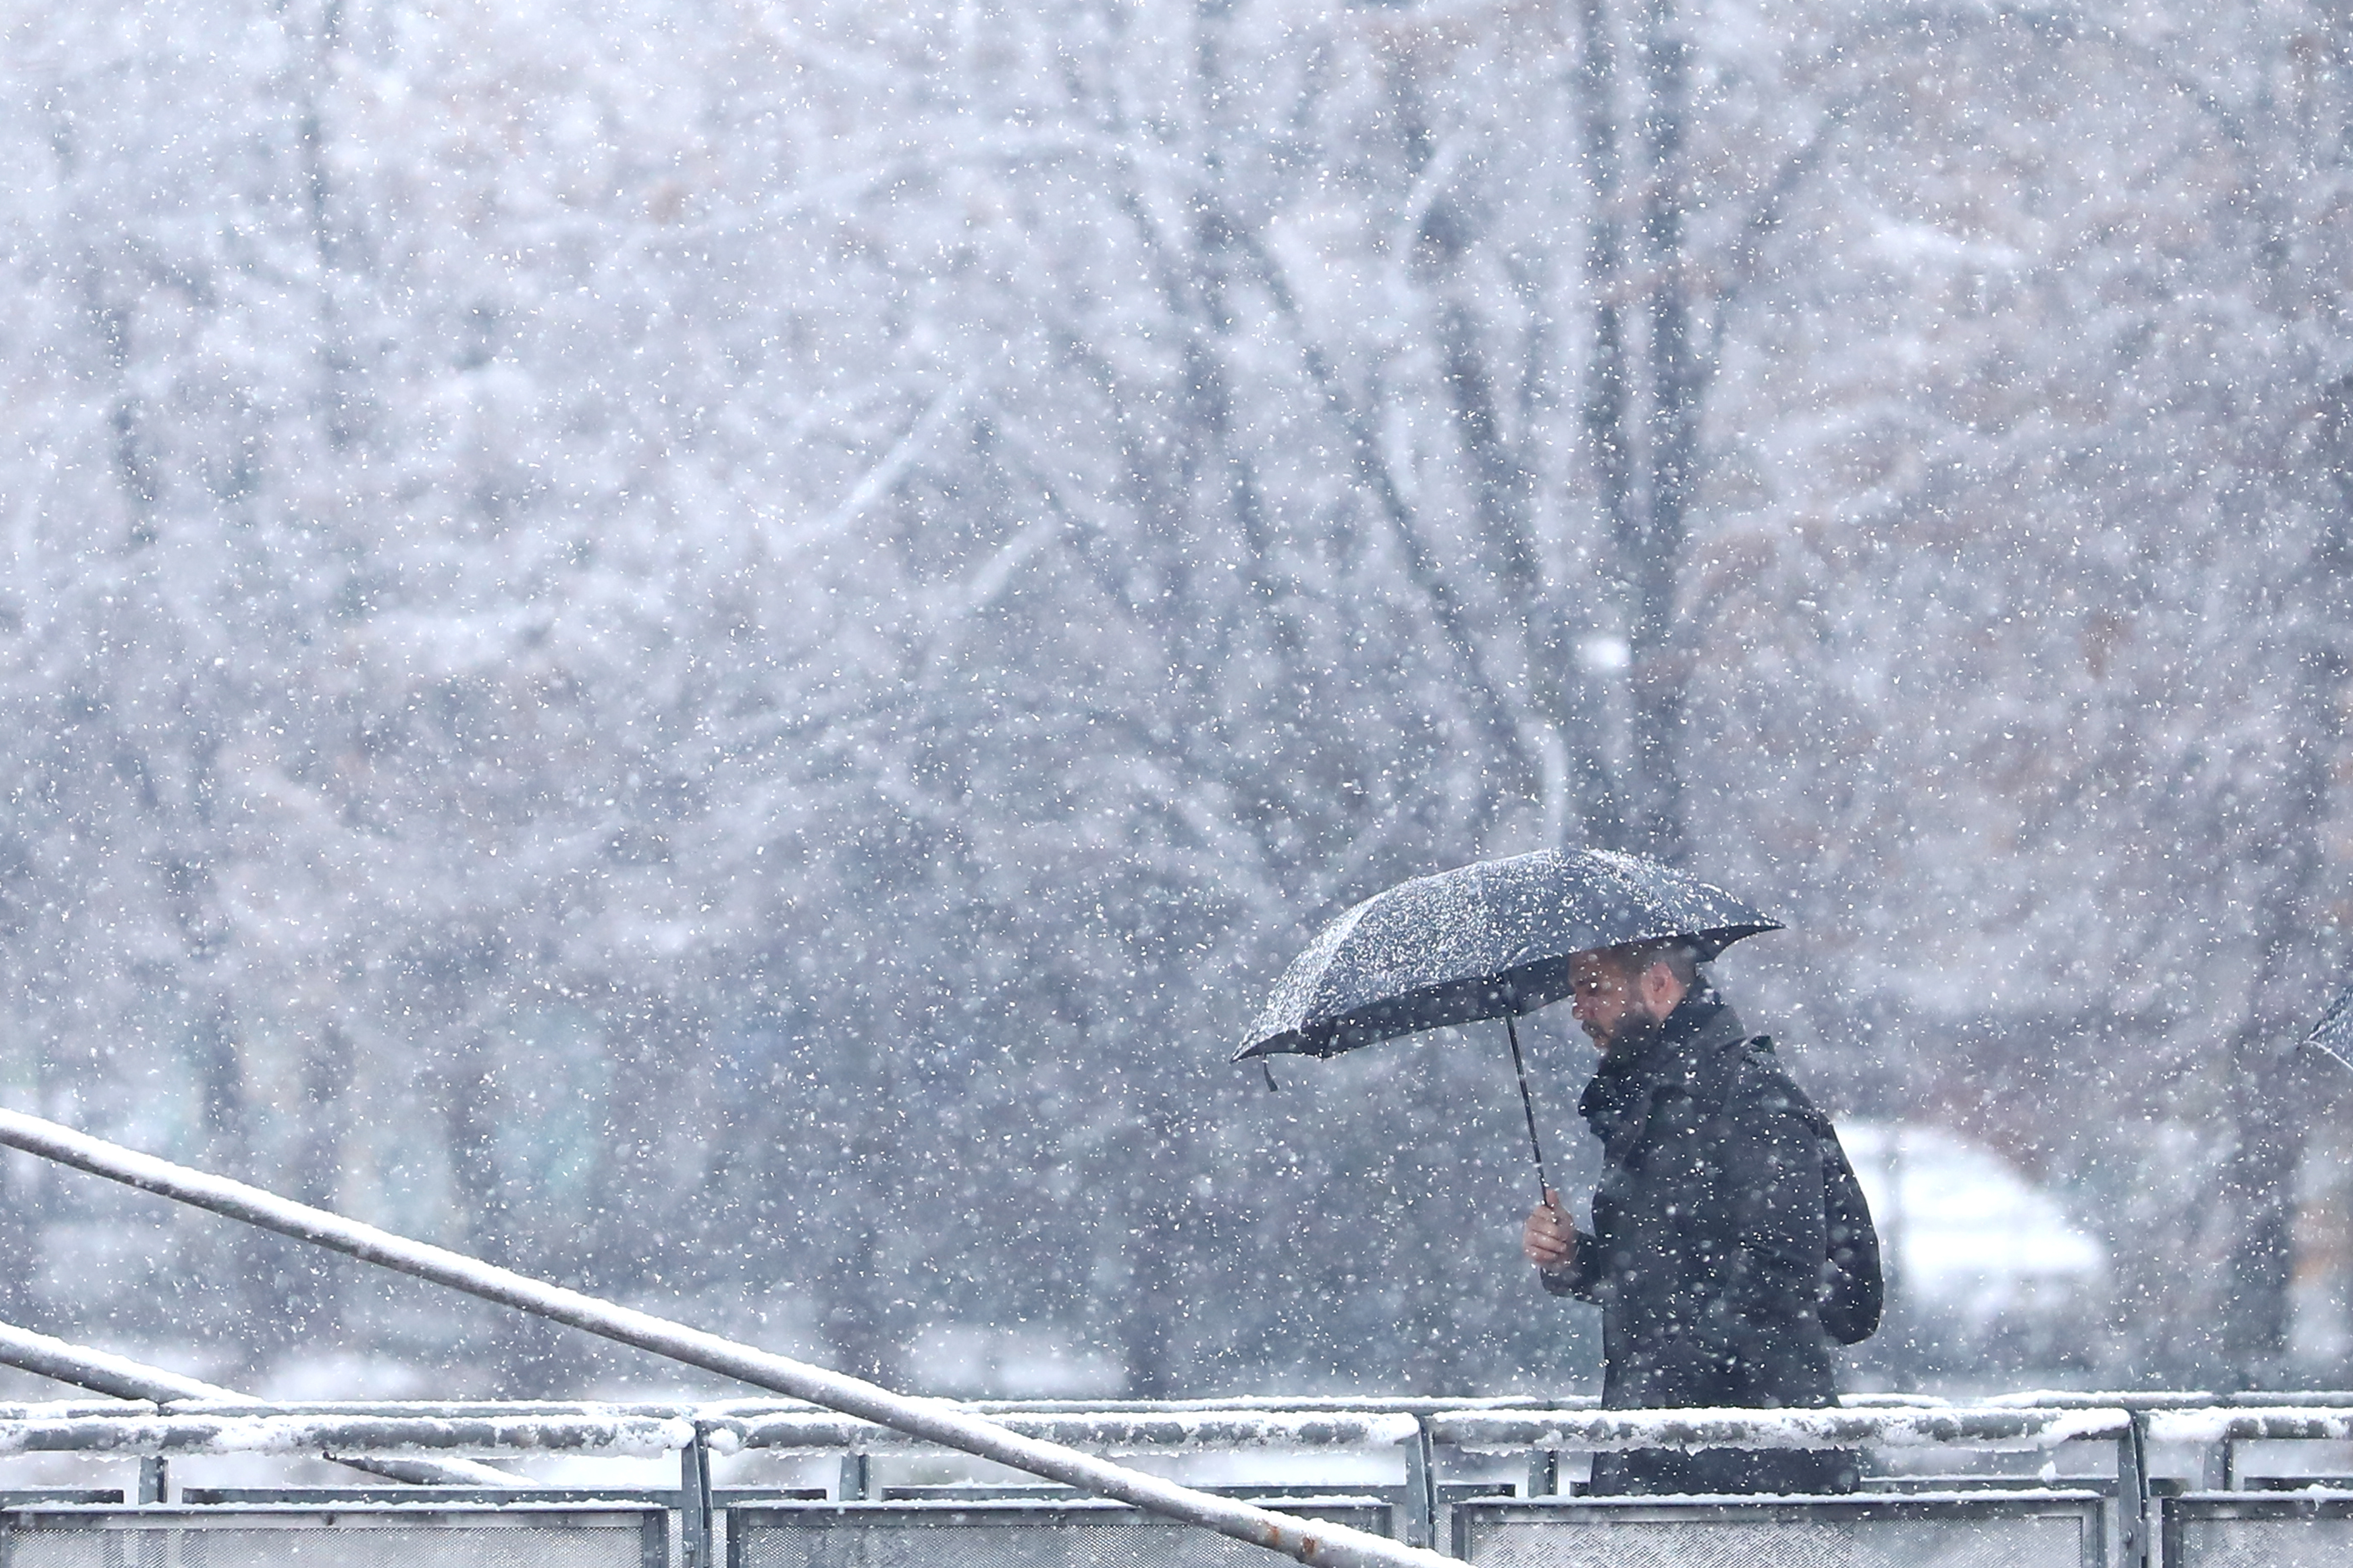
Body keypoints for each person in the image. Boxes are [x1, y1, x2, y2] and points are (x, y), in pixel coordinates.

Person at [1521, 938, 1882, 1496]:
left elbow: (1781, 1277)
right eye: (1575, 993)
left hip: (1750, 1478)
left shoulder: (1748, 1097)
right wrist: (1575, 1259)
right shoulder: (1657, 1105)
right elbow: (1661, 1275)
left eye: (1594, 989)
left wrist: (1666, 1371)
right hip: (1673, 1456)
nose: (1579, 1010)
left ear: (1659, 983)